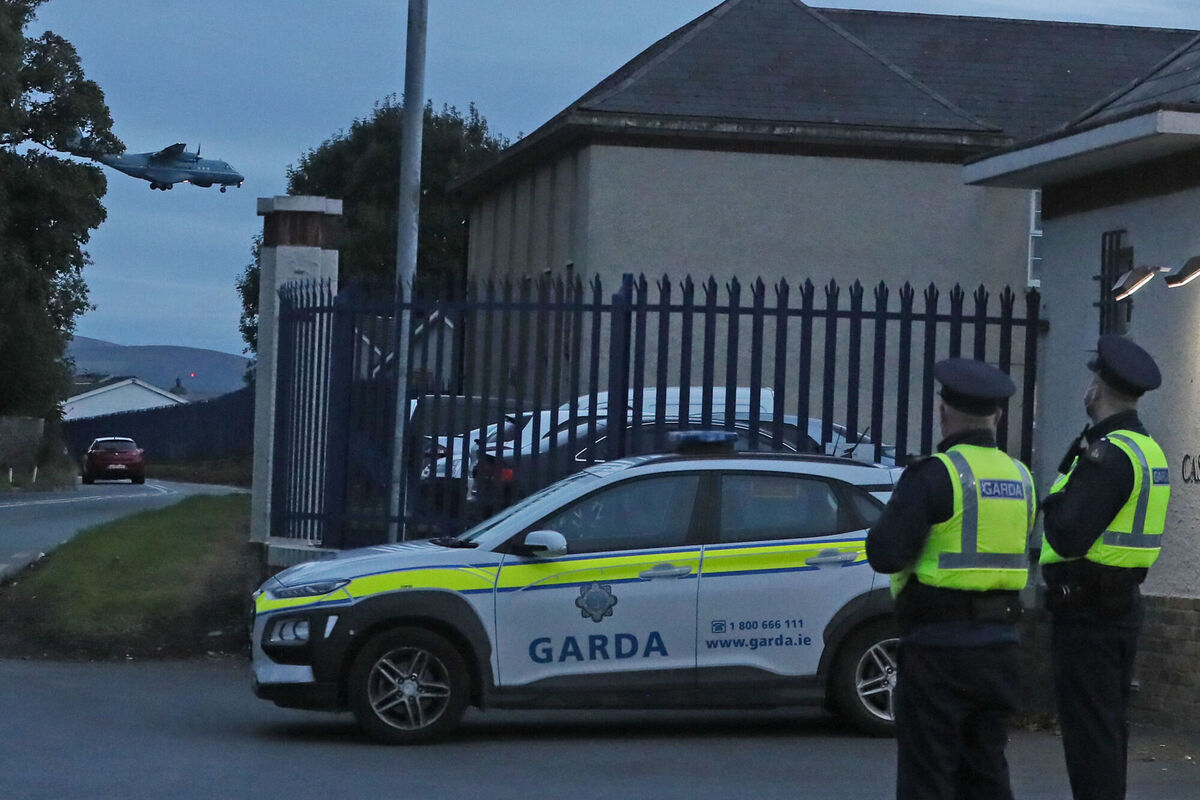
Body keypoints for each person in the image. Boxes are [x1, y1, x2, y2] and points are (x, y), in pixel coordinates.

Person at [867, 357, 1036, 800]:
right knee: (987, 774)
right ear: (997, 415)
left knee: (929, 778)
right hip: (1001, 646)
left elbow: (884, 554)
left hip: (939, 650)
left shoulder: (937, 475)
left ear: (942, 410)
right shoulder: (1021, 477)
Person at [1039, 334, 1169, 800]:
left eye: (1092, 380)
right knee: (1107, 730)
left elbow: (1067, 534)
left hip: (1086, 613)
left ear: (1098, 388)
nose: (1087, 389)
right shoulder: (1146, 449)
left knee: (1090, 737)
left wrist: (1052, 501)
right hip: (1118, 606)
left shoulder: (1109, 453)